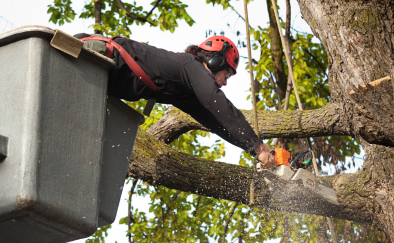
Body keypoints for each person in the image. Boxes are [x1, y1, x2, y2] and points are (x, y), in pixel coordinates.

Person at [74, 33, 276, 169]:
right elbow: (219, 104)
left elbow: (218, 122)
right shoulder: (193, 66)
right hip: (96, 55)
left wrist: (253, 149)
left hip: (100, 77)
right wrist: (259, 146)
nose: (225, 83)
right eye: (227, 74)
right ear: (216, 61)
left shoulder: (187, 91)